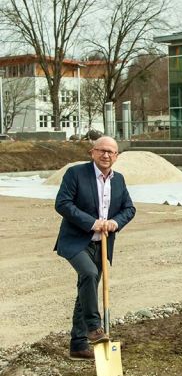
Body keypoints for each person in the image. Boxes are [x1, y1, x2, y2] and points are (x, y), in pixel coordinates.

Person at [54, 136, 136, 360]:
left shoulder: (118, 180)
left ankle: (78, 345)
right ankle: (94, 327)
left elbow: (129, 208)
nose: (106, 155)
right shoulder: (75, 174)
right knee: (88, 274)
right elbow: (62, 203)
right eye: (102, 151)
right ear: (92, 152)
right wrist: (92, 222)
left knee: (86, 291)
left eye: (111, 152)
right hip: (75, 241)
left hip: (102, 244)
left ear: (117, 156)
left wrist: (115, 222)